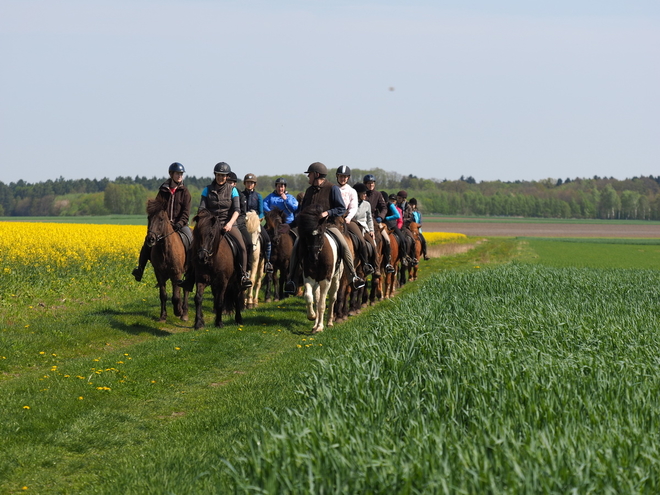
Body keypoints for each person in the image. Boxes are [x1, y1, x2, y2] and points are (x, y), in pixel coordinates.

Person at [284, 162, 366, 294]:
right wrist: (289, 226)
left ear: (316, 175)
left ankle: (353, 276)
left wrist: (328, 213)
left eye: (309, 174)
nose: (308, 177)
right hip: (311, 229)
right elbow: (302, 213)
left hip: (329, 226)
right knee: (296, 247)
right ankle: (292, 280)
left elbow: (341, 208)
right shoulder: (309, 191)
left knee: (344, 245)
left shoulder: (332, 188)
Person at [179, 162, 252, 290]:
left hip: (228, 223)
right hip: (210, 225)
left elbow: (237, 210)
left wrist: (230, 224)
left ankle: (243, 275)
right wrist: (204, 222)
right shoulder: (207, 190)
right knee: (193, 247)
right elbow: (202, 209)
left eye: (223, 175)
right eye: (219, 175)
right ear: (215, 175)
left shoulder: (233, 190)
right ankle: (189, 277)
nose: (221, 177)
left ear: (227, 177)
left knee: (242, 246)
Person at [132, 162, 191, 282]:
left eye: (181, 174)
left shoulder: (185, 192)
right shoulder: (163, 190)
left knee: (191, 239)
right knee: (147, 242)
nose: (179, 176)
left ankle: (191, 272)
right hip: (163, 225)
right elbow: (157, 208)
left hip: (180, 225)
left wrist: (180, 223)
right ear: (171, 174)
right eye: (177, 173)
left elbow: (186, 212)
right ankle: (140, 270)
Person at [337, 166, 373, 275]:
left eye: (345, 177)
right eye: (341, 176)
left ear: (348, 178)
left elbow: (353, 207)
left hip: (348, 218)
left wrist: (348, 218)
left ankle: (365, 264)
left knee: (361, 240)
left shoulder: (351, 191)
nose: (343, 179)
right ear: (337, 176)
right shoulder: (333, 189)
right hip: (334, 218)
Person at [241, 173, 273, 273]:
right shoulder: (241, 195)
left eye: (252, 183)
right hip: (244, 222)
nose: (249, 184)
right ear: (245, 183)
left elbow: (261, 212)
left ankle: (267, 262)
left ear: (254, 184)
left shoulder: (258, 196)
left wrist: (257, 219)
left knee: (267, 239)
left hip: (255, 223)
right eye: (248, 182)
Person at [363, 174, 394, 273]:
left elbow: (384, 208)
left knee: (387, 240)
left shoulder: (378, 194)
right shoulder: (362, 194)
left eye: (372, 183)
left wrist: (380, 217)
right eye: (369, 183)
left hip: (375, 221)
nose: (371, 185)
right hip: (363, 221)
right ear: (365, 184)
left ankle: (387, 263)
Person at [352, 183, 378, 275]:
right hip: (352, 226)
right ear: (358, 194)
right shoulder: (351, 203)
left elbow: (370, 218)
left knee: (373, 244)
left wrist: (371, 230)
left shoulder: (367, 204)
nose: (365, 195)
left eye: (366, 193)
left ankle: (373, 266)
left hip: (363, 227)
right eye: (363, 193)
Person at [386, 193, 413, 266]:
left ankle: (406, 256)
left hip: (401, 226)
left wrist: (399, 228)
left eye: (394, 201)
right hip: (385, 225)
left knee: (407, 239)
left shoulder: (401, 209)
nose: (392, 202)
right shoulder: (385, 206)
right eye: (390, 200)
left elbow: (400, 220)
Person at [396, 190, 418, 266]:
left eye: (399, 198)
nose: (397, 199)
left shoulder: (408, 206)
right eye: (397, 198)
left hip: (405, 226)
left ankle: (412, 257)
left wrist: (403, 220)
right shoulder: (396, 206)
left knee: (413, 240)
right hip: (397, 226)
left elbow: (411, 217)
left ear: (403, 199)